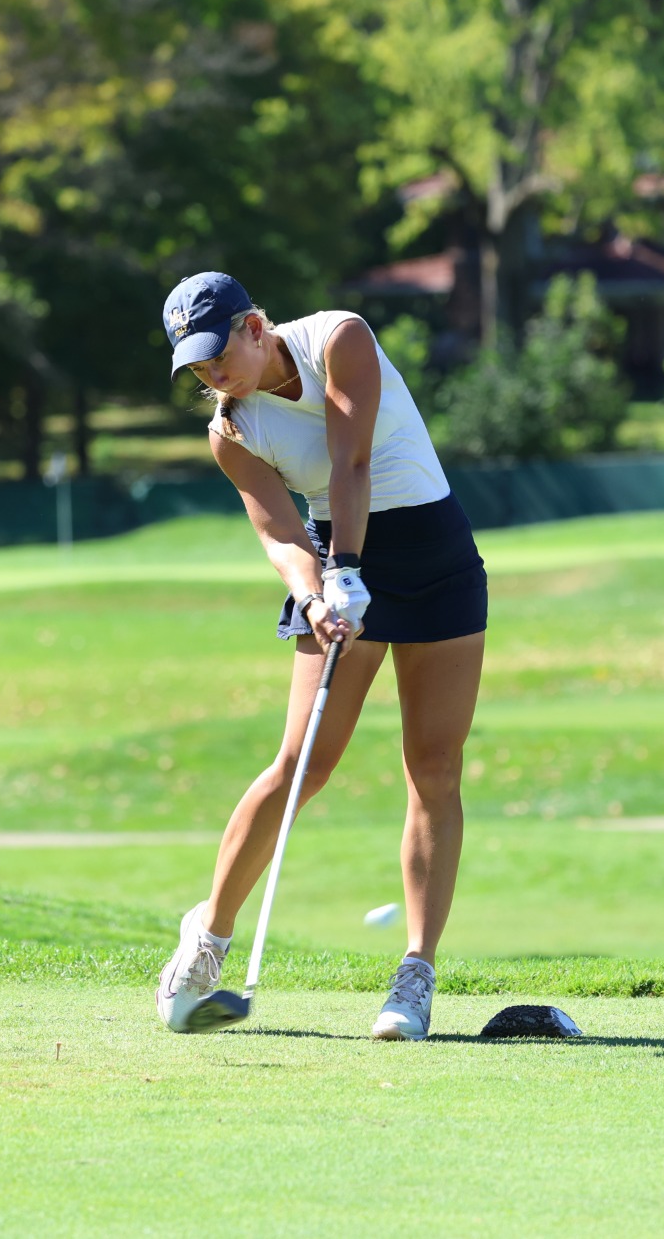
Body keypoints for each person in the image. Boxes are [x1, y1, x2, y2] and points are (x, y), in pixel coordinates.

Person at [153, 271, 488, 1041]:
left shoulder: (340, 339)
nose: (214, 375)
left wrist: (348, 568)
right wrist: (315, 594)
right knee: (303, 760)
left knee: (434, 765)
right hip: (336, 563)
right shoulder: (232, 431)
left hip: (433, 557)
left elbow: (351, 463)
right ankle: (208, 937)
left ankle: (416, 971)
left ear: (255, 325)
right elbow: (278, 532)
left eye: (218, 354)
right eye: (198, 367)